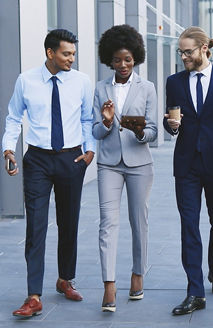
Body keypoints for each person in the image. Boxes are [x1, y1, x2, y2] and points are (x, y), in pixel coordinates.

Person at [2, 29, 96, 318]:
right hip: (38, 160)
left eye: (73, 54)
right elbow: (14, 116)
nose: (71, 59)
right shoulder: (26, 80)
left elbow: (86, 117)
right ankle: (33, 295)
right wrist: (8, 150)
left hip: (71, 158)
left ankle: (65, 279)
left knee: (69, 223)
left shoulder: (81, 81)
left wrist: (89, 151)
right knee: (37, 226)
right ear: (50, 53)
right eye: (66, 54)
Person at [163, 26, 213, 315]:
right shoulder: (174, 82)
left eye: (188, 52)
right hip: (187, 164)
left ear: (205, 48)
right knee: (189, 224)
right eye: (181, 52)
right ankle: (195, 291)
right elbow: (171, 119)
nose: (183, 57)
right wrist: (172, 125)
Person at [92, 24, 157, 313]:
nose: (122, 65)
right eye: (117, 60)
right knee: (108, 223)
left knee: (138, 221)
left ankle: (138, 274)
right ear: (109, 59)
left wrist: (141, 132)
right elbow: (96, 131)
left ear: (136, 58)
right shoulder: (100, 88)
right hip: (108, 164)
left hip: (139, 163)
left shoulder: (148, 88)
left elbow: (155, 129)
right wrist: (106, 121)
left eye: (128, 59)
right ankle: (109, 285)